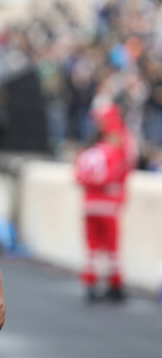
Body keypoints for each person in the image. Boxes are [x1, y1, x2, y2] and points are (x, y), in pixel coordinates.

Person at [75, 101, 135, 302]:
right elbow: (118, 173)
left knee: (92, 247)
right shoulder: (115, 149)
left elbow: (78, 176)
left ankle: (90, 282)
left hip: (89, 204)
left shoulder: (88, 150)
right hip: (108, 205)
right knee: (111, 248)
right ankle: (114, 284)